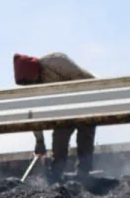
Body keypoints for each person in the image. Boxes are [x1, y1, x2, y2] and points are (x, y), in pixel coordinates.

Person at [13, 52, 96, 180]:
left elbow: (80, 80)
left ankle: (84, 174)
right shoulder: (32, 86)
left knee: (85, 136)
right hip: (65, 108)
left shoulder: (56, 62)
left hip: (87, 97)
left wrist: (70, 105)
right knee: (59, 137)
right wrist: (39, 141)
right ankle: (56, 173)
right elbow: (34, 115)